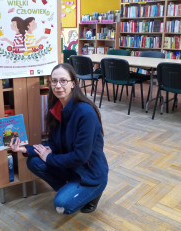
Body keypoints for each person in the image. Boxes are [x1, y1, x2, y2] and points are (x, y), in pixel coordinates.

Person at [10, 63, 108, 214]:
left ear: (73, 83)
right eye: (54, 81)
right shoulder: (57, 108)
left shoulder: (85, 113)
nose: (58, 85)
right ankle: (71, 188)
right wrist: (25, 149)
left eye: (63, 81)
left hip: (90, 174)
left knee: (62, 205)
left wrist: (49, 159)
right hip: (71, 168)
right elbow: (53, 144)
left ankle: (92, 192)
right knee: (34, 161)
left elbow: (81, 156)